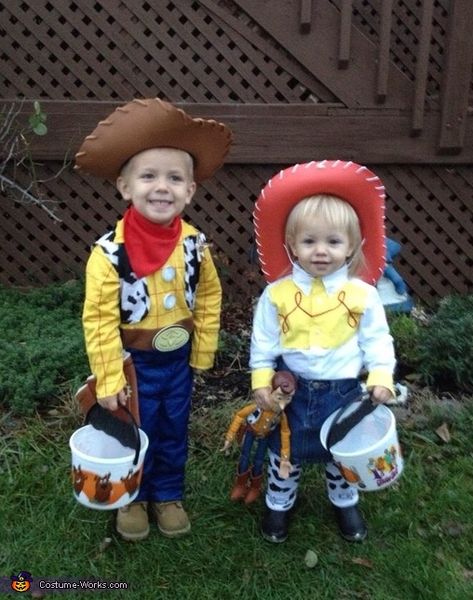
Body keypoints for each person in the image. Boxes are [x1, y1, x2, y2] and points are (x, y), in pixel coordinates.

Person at [75, 98, 232, 541]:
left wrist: (201, 353)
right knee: (135, 430)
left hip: (177, 361)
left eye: (174, 178)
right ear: (125, 186)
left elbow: (208, 298)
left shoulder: (195, 246)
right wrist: (108, 380)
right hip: (133, 366)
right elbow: (99, 320)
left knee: (172, 428)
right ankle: (134, 497)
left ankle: (168, 494)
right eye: (148, 176)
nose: (161, 187)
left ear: (190, 191)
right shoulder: (108, 255)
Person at [250, 160, 396, 543]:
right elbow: (263, 341)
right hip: (290, 392)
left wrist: (381, 376)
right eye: (309, 241)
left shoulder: (362, 295)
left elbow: (378, 341)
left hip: (342, 392)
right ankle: (278, 506)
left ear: (353, 245)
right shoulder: (276, 294)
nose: (321, 251)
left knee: (342, 454)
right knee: (284, 455)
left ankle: (345, 502)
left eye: (333, 242)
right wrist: (260, 378)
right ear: (291, 245)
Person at [221, 371, 296, 505]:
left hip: (264, 437)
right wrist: (230, 436)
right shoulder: (257, 407)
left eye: (288, 399)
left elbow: (285, 433)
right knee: (244, 457)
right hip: (250, 432)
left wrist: (285, 458)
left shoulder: (280, 416)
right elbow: (239, 416)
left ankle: (255, 487)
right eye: (279, 398)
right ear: (269, 391)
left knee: (259, 461)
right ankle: (240, 484)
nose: (283, 405)